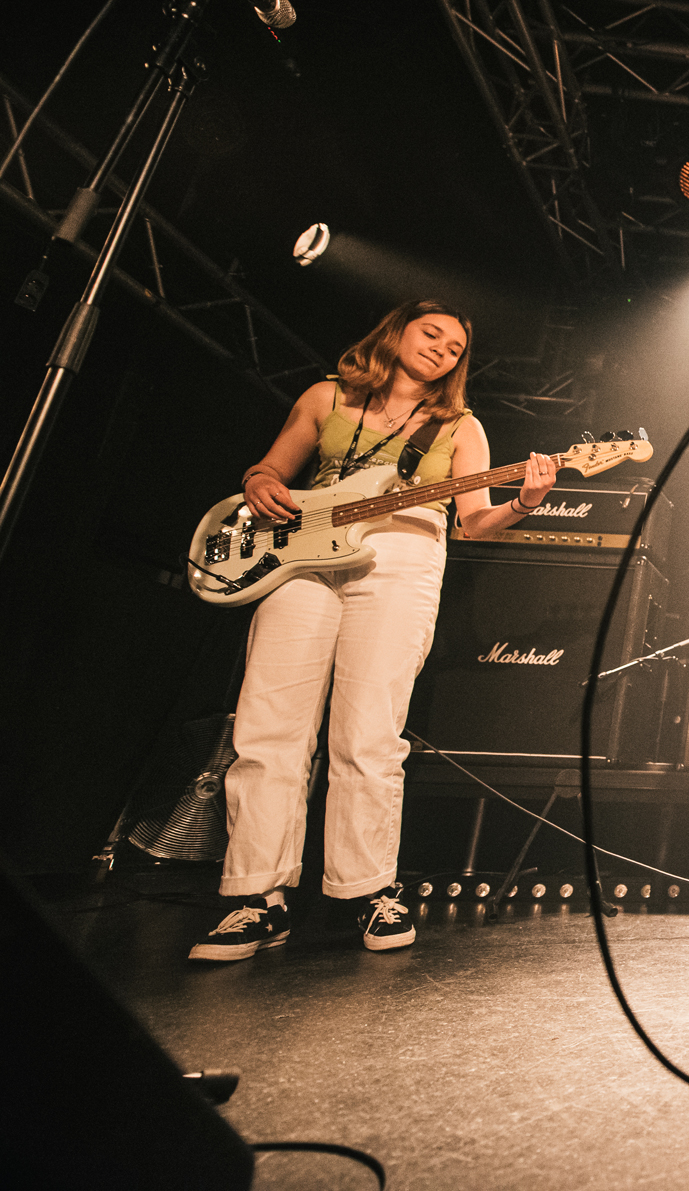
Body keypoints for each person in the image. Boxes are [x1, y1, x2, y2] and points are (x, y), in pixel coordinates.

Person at [188, 300, 558, 963]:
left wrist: (525, 501)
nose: (442, 349)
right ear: (396, 332)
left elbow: (474, 522)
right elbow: (269, 470)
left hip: (403, 555)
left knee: (368, 733)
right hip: (301, 553)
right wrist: (260, 481)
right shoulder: (326, 396)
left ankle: (369, 889)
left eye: (455, 348)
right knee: (269, 726)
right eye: (431, 334)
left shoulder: (460, 426)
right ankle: (257, 898)